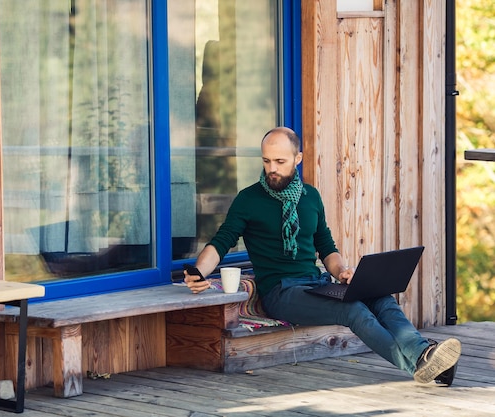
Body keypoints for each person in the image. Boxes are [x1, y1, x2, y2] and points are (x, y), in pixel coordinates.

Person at [184, 126, 461, 385]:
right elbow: (220, 243)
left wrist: (342, 272)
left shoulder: (311, 197)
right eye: (267, 161)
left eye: (280, 161)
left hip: (316, 284)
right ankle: (419, 365)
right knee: (353, 311)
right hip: (281, 293)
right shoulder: (249, 199)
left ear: (298, 158)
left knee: (379, 296)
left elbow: (326, 247)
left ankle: (425, 355)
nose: (272, 169)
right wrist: (198, 273)